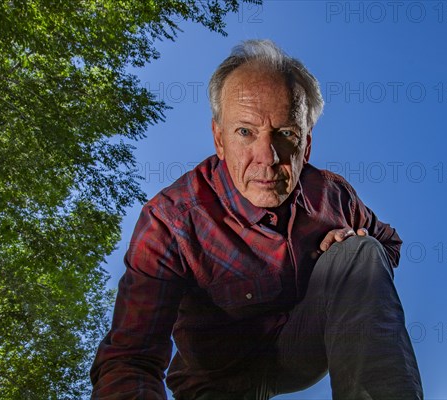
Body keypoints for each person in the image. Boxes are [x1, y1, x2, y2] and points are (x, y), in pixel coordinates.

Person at [90, 39, 423, 400]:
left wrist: (347, 240)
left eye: (285, 134)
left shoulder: (332, 195)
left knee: (359, 252)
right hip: (216, 378)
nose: (266, 157)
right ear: (219, 138)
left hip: (295, 351)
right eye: (245, 132)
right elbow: (130, 360)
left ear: (306, 146)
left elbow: (388, 244)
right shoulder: (170, 221)